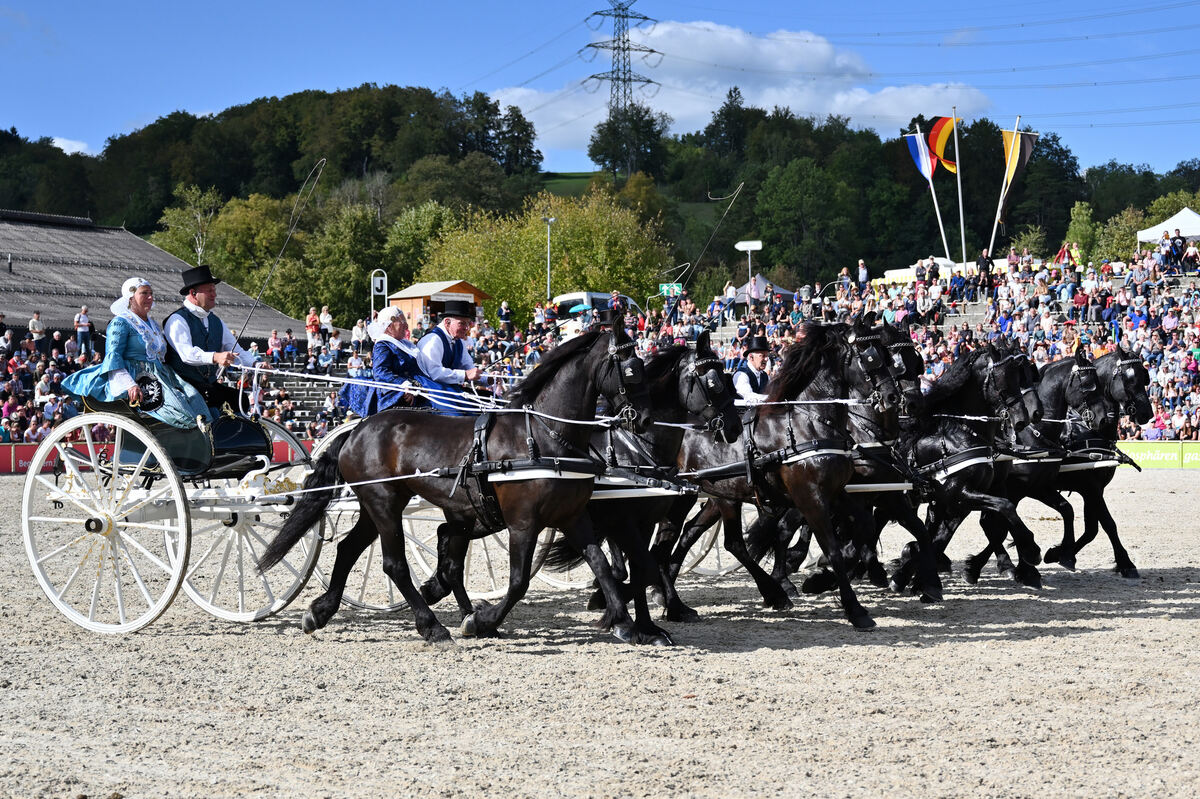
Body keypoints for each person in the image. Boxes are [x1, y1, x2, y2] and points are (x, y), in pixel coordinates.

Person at [63, 277, 212, 429]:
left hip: (162, 375)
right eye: (144, 293)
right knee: (179, 411)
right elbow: (113, 356)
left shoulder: (153, 323)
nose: (150, 297)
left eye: (151, 293)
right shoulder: (120, 322)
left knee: (195, 399)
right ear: (131, 298)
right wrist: (129, 384)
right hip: (138, 376)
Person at [164, 265, 256, 411]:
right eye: (209, 291)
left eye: (214, 290)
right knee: (213, 404)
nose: (214, 295)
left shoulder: (216, 321)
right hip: (183, 385)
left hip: (208, 384)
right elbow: (187, 354)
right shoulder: (177, 320)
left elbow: (236, 350)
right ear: (193, 293)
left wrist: (255, 363)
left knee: (240, 400)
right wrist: (215, 357)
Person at [339, 306, 438, 417]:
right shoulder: (383, 345)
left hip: (420, 384)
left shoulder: (404, 344)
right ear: (389, 326)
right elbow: (380, 372)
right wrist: (404, 385)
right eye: (402, 322)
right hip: (399, 390)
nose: (406, 325)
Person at [417, 299, 484, 412]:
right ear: (447, 322)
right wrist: (465, 375)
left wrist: (488, 378)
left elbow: (469, 368)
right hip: (431, 391)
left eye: (468, 324)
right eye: (462, 323)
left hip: (449, 389)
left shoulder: (459, 342)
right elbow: (435, 373)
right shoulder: (432, 340)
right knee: (458, 418)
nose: (467, 328)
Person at [733, 335, 771, 405]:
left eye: (767, 356)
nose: (766, 359)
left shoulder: (765, 376)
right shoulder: (741, 375)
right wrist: (771, 398)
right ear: (751, 357)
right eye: (762, 355)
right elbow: (748, 396)